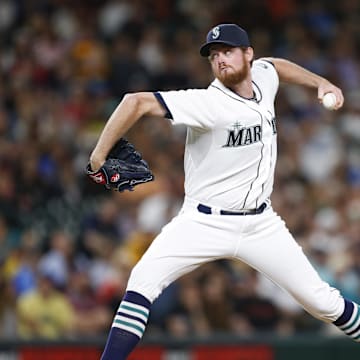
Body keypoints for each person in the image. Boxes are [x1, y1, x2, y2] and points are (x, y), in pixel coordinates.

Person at [89, 24, 359, 359]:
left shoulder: (262, 77)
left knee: (322, 302)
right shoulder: (208, 103)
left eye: (228, 51)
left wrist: (320, 82)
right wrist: (99, 154)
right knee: (142, 281)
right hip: (202, 222)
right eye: (214, 55)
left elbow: (275, 65)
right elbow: (136, 101)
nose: (220, 60)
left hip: (261, 225)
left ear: (248, 54)